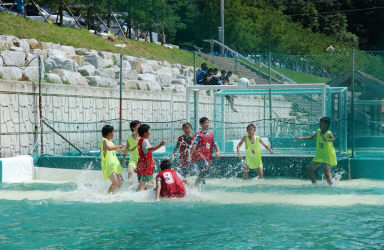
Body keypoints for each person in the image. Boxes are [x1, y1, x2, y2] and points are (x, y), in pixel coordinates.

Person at [295, 116, 337, 185]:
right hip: (320, 154)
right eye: (319, 123)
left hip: (327, 154)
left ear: (326, 125)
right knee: (309, 170)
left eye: (321, 123)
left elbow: (333, 139)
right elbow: (312, 138)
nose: (319, 124)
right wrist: (300, 138)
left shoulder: (329, 133)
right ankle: (315, 184)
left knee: (326, 173)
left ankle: (331, 186)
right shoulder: (318, 131)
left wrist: (326, 139)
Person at [100, 125, 133, 194]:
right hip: (109, 165)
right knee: (115, 182)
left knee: (121, 182)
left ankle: (113, 194)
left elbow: (119, 151)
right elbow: (109, 148)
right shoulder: (104, 140)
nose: (113, 133)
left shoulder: (110, 141)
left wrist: (130, 150)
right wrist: (119, 146)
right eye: (113, 131)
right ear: (110, 133)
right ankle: (107, 196)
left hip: (115, 165)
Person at [190, 117, 220, 186]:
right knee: (206, 168)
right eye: (205, 123)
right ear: (201, 124)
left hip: (207, 157)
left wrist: (218, 152)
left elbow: (215, 144)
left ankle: (199, 186)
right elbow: (194, 145)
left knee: (204, 172)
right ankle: (195, 185)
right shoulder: (199, 135)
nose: (207, 124)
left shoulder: (211, 136)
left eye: (208, 123)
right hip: (199, 155)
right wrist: (190, 155)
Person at [136, 124, 166, 192]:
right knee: (142, 184)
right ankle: (136, 197)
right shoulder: (145, 140)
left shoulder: (140, 140)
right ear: (145, 132)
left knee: (151, 183)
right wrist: (160, 145)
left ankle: (142, 195)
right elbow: (150, 149)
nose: (150, 132)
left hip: (141, 165)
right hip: (145, 166)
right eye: (149, 130)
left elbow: (144, 152)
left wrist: (151, 159)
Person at [122, 120, 141, 185]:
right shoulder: (129, 138)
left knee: (140, 177)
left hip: (140, 160)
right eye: (138, 126)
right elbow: (126, 149)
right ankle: (130, 187)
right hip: (132, 160)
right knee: (130, 172)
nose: (140, 127)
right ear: (133, 128)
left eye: (140, 125)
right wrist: (123, 159)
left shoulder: (142, 138)